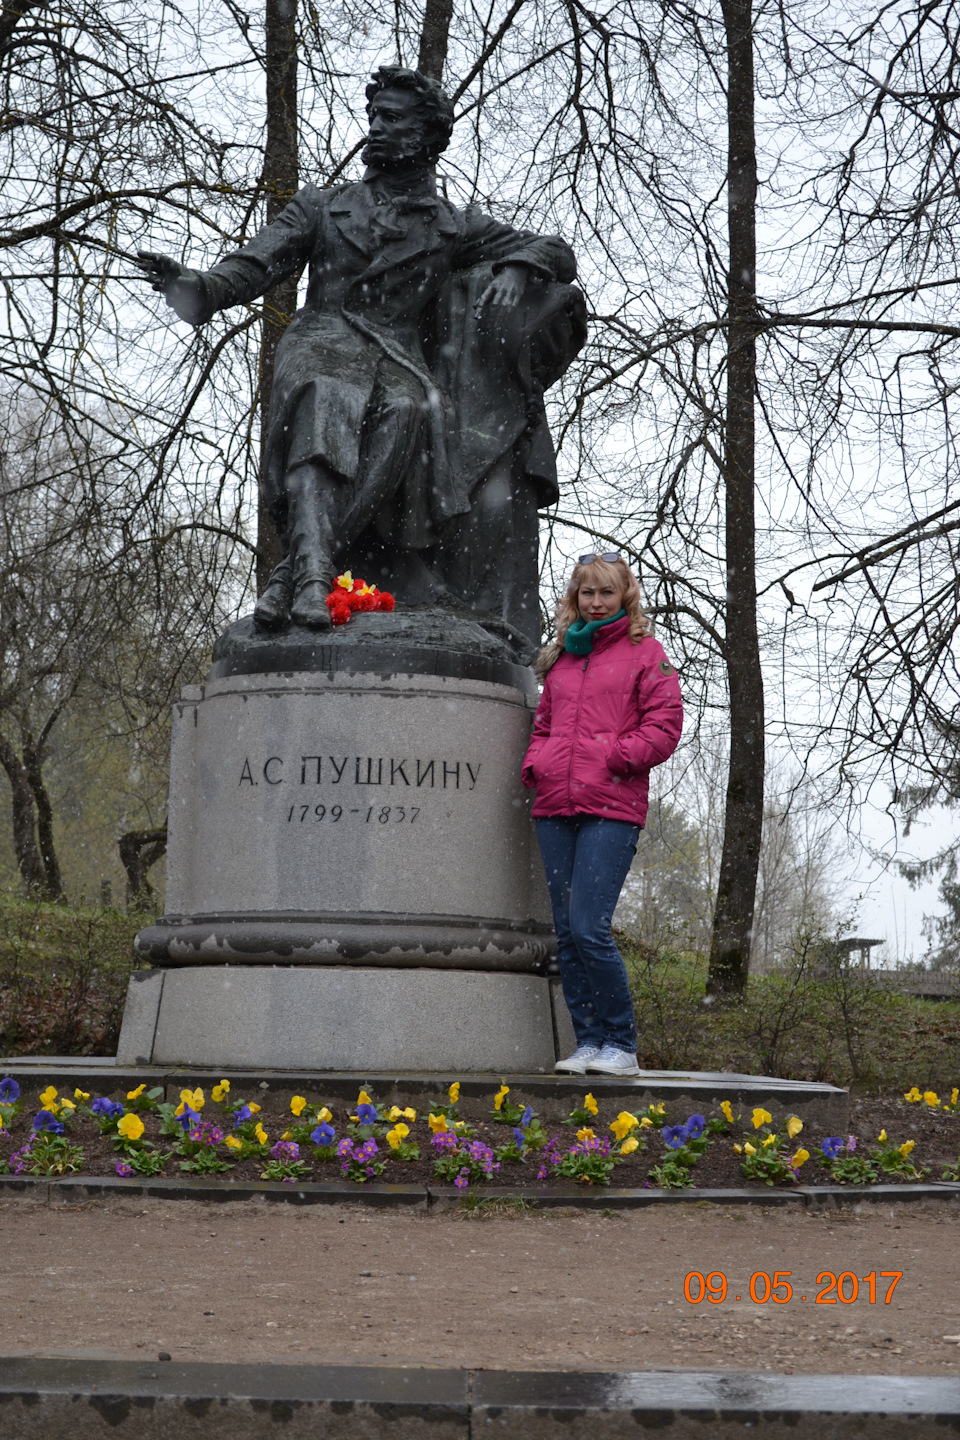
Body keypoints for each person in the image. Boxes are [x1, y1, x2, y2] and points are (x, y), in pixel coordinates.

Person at [136, 67, 584, 654]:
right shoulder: (322, 206)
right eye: (373, 116)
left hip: (394, 353)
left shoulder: (451, 225)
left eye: (392, 118)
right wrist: (199, 287)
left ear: (427, 135)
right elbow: (254, 265)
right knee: (326, 402)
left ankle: (295, 574)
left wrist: (520, 265)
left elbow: (557, 249)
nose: (375, 128)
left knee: (405, 410)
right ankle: (315, 577)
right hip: (322, 338)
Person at [521, 554, 683, 1076]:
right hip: (555, 806)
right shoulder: (561, 660)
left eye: (606, 593)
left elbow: (665, 725)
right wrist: (537, 763)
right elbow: (543, 726)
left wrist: (615, 758)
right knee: (567, 933)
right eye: (587, 593)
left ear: (624, 597)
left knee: (590, 926)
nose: (596, 602)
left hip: (610, 808)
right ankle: (589, 1042)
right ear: (575, 598)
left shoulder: (645, 653)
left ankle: (621, 1044)